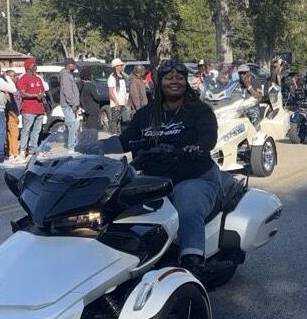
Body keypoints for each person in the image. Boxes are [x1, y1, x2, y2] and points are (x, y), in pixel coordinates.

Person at [118, 61, 220, 273]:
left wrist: (196, 147)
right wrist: (90, 149)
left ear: (186, 82)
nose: (175, 82)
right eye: (168, 78)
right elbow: (124, 140)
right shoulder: (147, 114)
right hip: (153, 181)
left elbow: (208, 138)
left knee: (187, 204)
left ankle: (193, 264)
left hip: (195, 176)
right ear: (159, 83)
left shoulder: (199, 111)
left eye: (179, 78)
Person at [16, 58, 46, 157]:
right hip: (28, 110)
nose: (36, 67)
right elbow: (23, 93)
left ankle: (33, 151)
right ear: (29, 67)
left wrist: (41, 94)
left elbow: (42, 90)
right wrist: (34, 95)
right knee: (26, 130)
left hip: (39, 109)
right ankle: (23, 150)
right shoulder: (23, 79)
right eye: (34, 65)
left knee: (36, 131)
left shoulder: (38, 78)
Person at [57, 59, 82, 149]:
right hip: (69, 105)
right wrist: (73, 104)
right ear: (68, 65)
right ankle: (72, 146)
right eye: (73, 64)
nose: (75, 66)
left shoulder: (68, 75)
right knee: (72, 125)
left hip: (71, 105)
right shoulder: (65, 76)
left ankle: (73, 144)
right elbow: (67, 91)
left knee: (74, 125)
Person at [4, 69, 22, 162]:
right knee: (14, 134)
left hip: (16, 112)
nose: (15, 77)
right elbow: (9, 104)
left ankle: (11, 153)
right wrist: (14, 115)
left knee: (11, 135)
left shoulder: (14, 87)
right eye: (13, 76)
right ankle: (15, 154)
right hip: (11, 113)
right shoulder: (8, 89)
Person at [80, 66, 102, 139]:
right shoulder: (90, 85)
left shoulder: (83, 85)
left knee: (88, 130)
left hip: (87, 110)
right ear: (89, 75)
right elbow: (97, 97)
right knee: (93, 131)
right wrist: (99, 93)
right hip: (93, 111)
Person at [107, 58, 129, 134]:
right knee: (115, 120)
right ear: (116, 67)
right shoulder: (112, 78)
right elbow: (111, 91)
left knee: (123, 121)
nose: (122, 67)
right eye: (120, 65)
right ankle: (113, 135)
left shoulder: (122, 76)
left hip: (123, 103)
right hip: (116, 103)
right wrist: (116, 101)